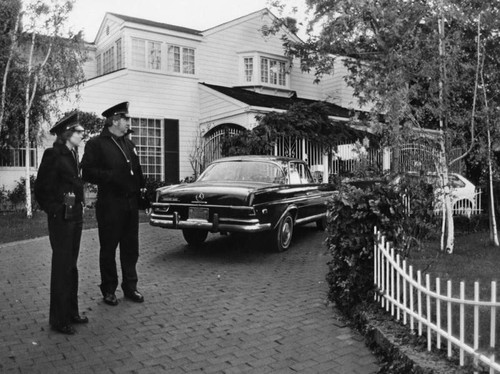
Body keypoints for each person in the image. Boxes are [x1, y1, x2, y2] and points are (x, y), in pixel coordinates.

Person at [81, 102, 145, 306]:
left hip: (130, 203)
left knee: (130, 247)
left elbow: (137, 170)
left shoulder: (129, 144)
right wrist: (110, 176)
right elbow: (87, 171)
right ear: (115, 121)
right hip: (110, 204)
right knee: (108, 248)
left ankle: (130, 287)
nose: (128, 123)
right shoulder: (96, 144)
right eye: (126, 119)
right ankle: (109, 290)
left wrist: (142, 190)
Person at [34, 112, 88, 335]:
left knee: (71, 267)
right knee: (61, 268)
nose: (82, 135)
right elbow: (40, 190)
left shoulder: (73, 154)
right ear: (68, 133)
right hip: (61, 220)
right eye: (79, 131)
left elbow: (74, 186)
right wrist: (55, 210)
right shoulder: (53, 154)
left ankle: (72, 312)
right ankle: (59, 319)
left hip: (75, 217)